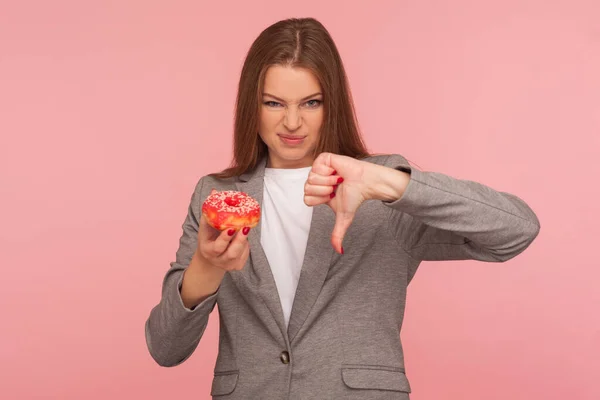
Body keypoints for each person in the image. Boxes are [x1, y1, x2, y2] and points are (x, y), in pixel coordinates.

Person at [145, 17, 540, 399]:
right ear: (252, 105)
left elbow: (515, 231)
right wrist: (207, 265)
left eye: (311, 102)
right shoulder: (214, 194)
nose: (293, 122)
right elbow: (166, 348)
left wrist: (388, 182)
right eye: (274, 103)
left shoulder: (379, 189)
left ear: (332, 103)